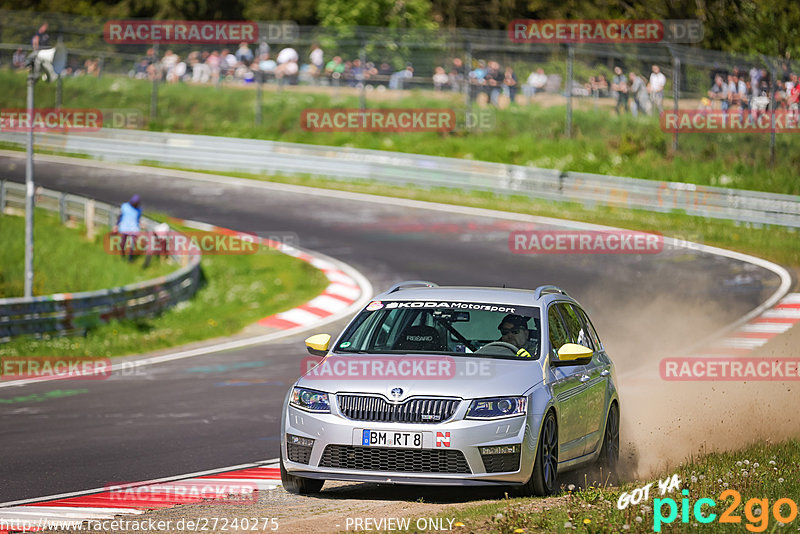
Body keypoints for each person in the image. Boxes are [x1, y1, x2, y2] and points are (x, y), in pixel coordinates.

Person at [114, 194, 142, 262]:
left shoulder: (139, 210)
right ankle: (123, 256)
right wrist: (116, 225)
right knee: (123, 243)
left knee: (132, 244)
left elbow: (137, 219)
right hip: (125, 227)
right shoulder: (125, 206)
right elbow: (120, 216)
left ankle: (130, 258)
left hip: (134, 228)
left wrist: (140, 224)